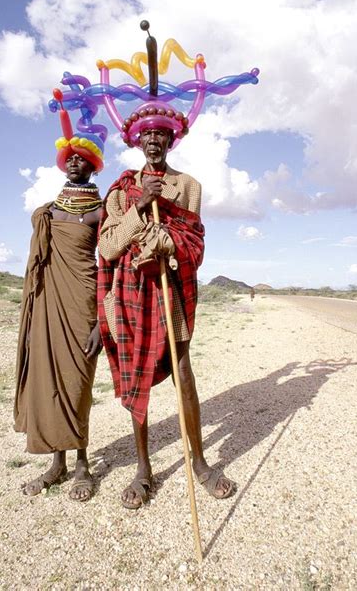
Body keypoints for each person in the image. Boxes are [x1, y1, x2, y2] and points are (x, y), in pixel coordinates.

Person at [98, 103, 236, 509]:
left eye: (161, 135)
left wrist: (169, 244)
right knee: (135, 378)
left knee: (184, 376)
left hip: (170, 293)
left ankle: (200, 464)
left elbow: (195, 243)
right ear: (138, 141)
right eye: (147, 135)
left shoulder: (189, 186)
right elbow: (107, 247)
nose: (153, 140)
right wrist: (140, 208)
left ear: (170, 140)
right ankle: (143, 470)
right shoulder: (122, 191)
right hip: (130, 296)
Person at [14, 110, 106, 502]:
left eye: (81, 157)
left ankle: (83, 464)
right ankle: (57, 463)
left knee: (78, 384)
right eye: (68, 156)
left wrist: (103, 320)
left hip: (84, 306)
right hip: (49, 308)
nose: (73, 161)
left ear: (93, 164)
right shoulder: (48, 213)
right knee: (50, 382)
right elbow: (38, 267)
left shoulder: (104, 210)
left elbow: (112, 263)